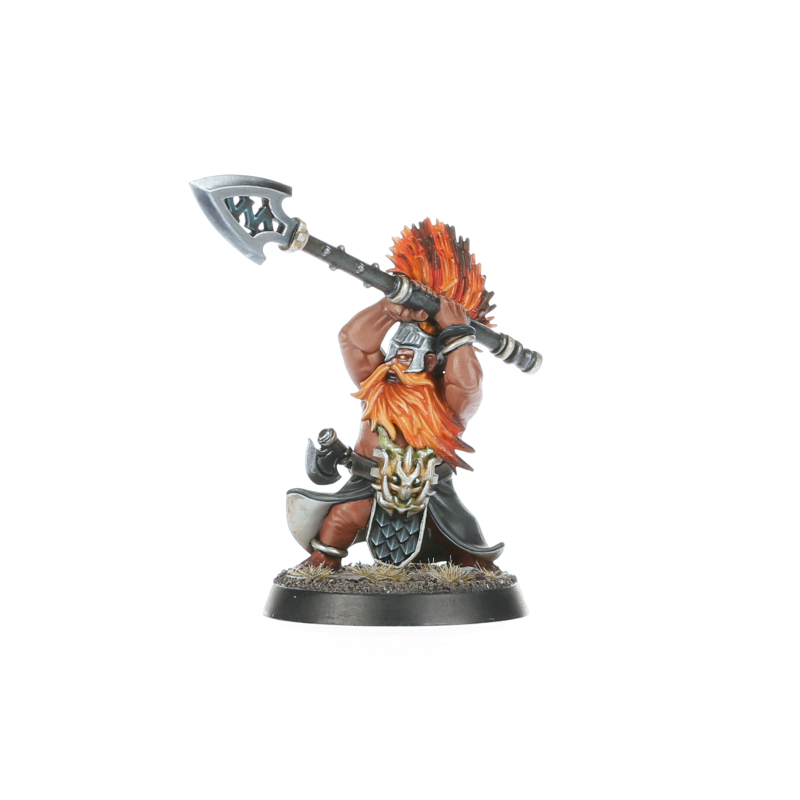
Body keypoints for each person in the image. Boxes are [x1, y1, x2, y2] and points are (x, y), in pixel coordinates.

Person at [286, 219, 504, 571]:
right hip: (369, 483)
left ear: (430, 362)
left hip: (429, 492)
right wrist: (387, 310)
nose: (391, 363)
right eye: (392, 353)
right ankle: (322, 562)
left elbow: (467, 387)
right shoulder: (377, 385)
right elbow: (353, 342)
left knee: (465, 545)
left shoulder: (443, 402)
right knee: (341, 520)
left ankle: (474, 571)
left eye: (404, 357)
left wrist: (458, 333)